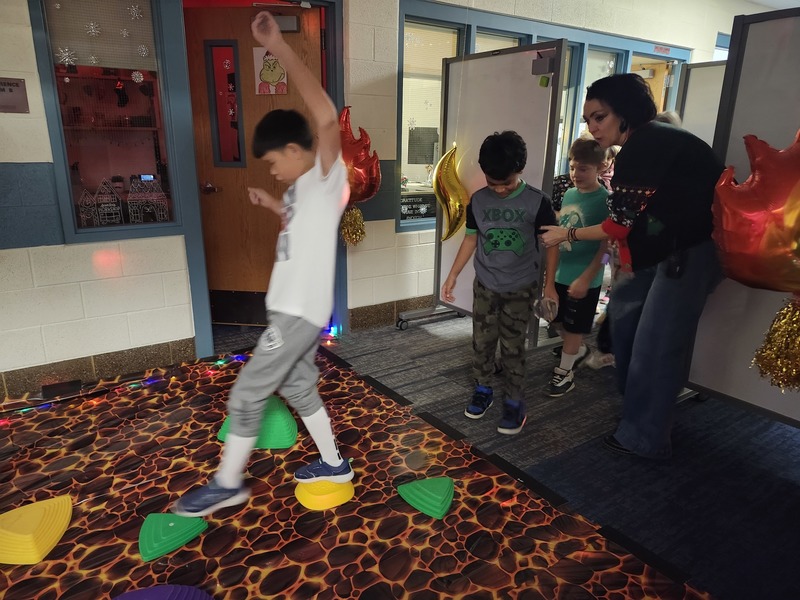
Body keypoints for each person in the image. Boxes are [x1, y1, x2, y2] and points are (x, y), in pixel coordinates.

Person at [171, 11, 352, 517]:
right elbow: (300, 229)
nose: (272, 171)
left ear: (295, 150)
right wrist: (273, 204)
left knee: (248, 390)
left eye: (273, 162)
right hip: (289, 310)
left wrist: (278, 47)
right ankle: (334, 463)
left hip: (297, 313)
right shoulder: (298, 190)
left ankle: (227, 482)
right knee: (297, 386)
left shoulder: (326, 176)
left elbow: (324, 117)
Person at [541, 73, 724, 460]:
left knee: (655, 345)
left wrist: (566, 234)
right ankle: (639, 410)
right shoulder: (649, 143)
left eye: (600, 117)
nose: (593, 127)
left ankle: (645, 436)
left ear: (625, 113)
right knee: (625, 325)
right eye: (588, 119)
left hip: (686, 254)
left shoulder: (645, 145)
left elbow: (616, 226)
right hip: (664, 251)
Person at [441, 131, 559, 435]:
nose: (500, 189)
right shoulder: (478, 201)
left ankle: (514, 401)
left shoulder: (538, 202)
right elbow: (471, 239)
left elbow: (551, 244)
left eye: (506, 182)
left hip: (521, 287)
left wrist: (549, 285)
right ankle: (483, 389)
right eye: (493, 183)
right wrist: (453, 274)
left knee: (512, 345)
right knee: (482, 341)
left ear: (520, 169)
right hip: (485, 285)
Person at [547, 137, 609, 396]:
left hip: (586, 277)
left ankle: (565, 372)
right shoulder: (570, 193)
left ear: (601, 168)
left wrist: (590, 276)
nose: (575, 174)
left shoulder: (605, 200)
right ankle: (579, 350)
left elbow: (607, 249)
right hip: (562, 272)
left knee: (573, 327)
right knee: (555, 320)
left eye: (583, 168)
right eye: (572, 167)